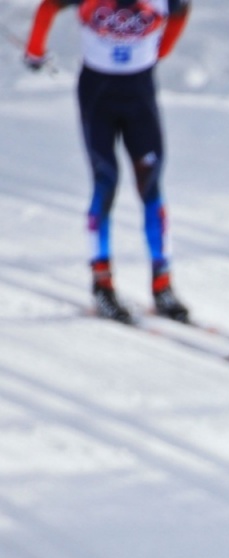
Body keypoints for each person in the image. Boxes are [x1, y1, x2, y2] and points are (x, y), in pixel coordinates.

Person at [24, 0, 192, 324]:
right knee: (106, 181)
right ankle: (102, 285)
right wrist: (34, 50)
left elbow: (181, 10)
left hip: (139, 93)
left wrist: (159, 52)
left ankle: (162, 283)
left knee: (151, 184)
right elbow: (48, 7)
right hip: (97, 93)